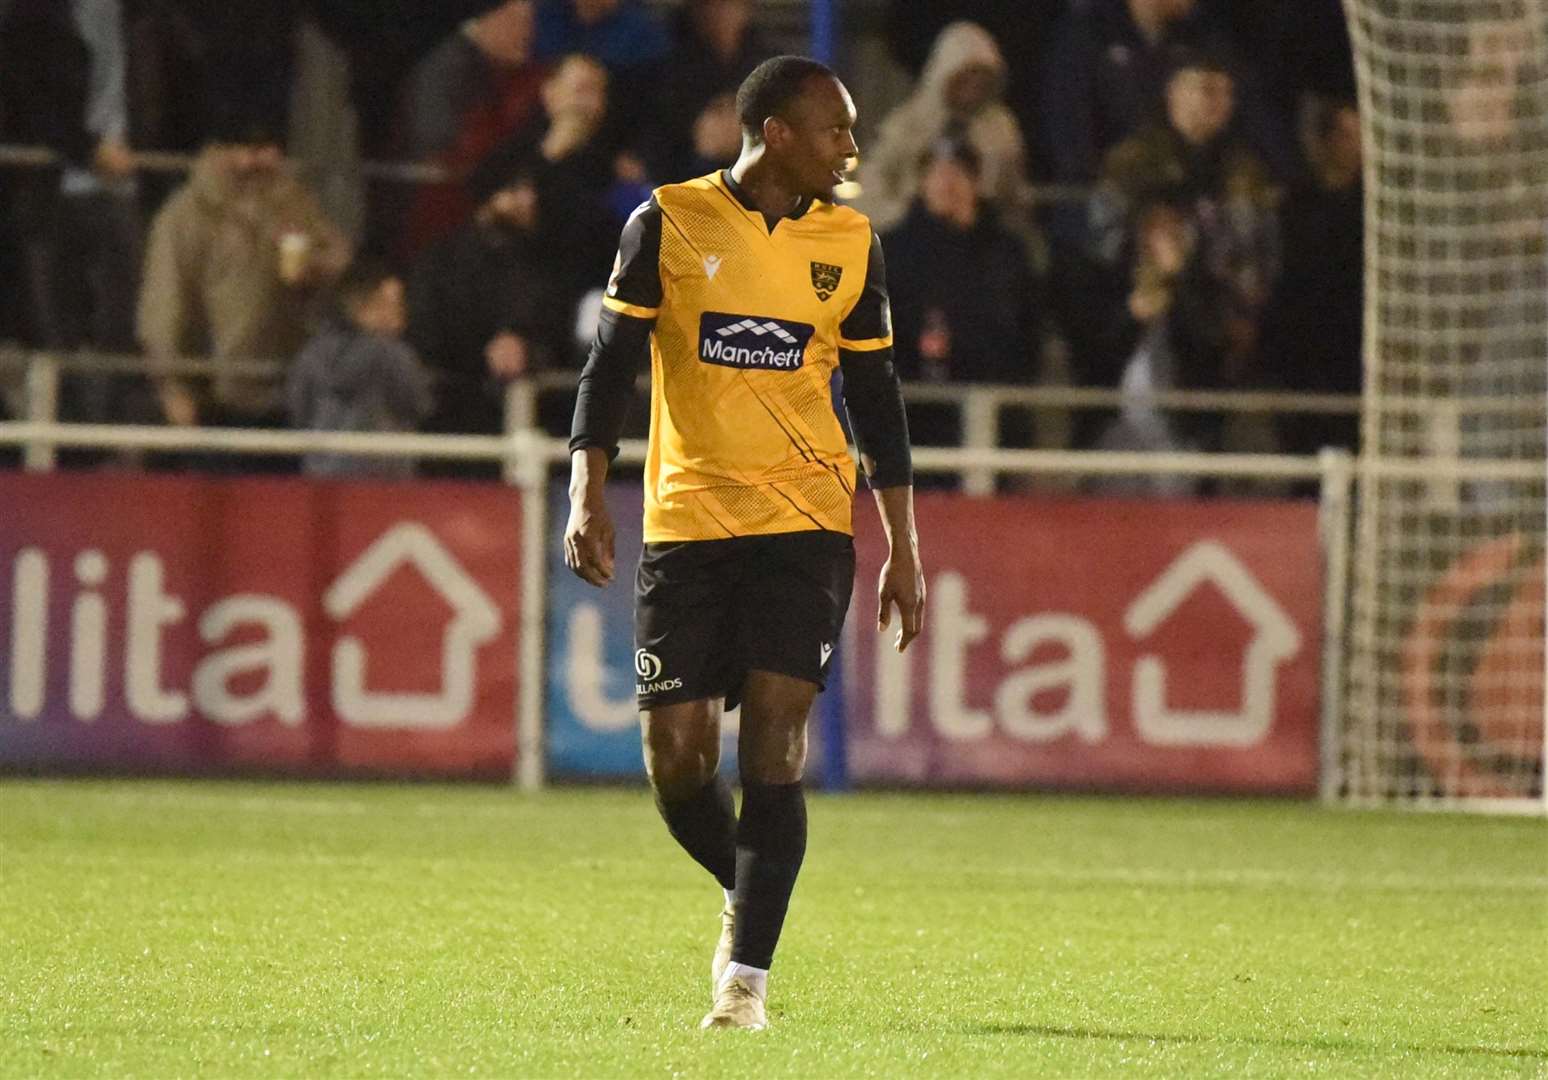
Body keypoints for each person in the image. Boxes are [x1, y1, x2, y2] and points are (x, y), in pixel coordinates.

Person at [564, 56, 924, 1031]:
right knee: (676, 762)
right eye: (837, 129)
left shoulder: (852, 244)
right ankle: (749, 887)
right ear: (776, 134)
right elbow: (609, 367)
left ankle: (745, 983)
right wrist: (586, 494)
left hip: (807, 520)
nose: (853, 147)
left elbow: (881, 406)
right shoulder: (667, 223)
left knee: (775, 738)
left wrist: (904, 546)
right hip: (687, 520)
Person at [137, 121, 351, 434]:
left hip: (292, 390)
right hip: (215, 396)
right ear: (219, 151)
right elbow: (162, 308)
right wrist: (172, 387)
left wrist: (317, 268)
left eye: (267, 149)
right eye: (249, 149)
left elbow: (341, 263)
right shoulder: (183, 216)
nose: (257, 161)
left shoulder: (293, 202)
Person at [407, 157, 572, 443]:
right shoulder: (443, 262)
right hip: (456, 417)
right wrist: (483, 351)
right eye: (515, 190)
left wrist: (526, 346)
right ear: (489, 199)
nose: (528, 200)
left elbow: (557, 327)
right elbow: (427, 335)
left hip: (536, 415)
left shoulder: (544, 262)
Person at [854, 21, 1030, 235]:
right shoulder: (907, 124)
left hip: (981, 239)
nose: (973, 85)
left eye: (981, 77)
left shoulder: (1001, 128)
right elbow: (875, 182)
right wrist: (903, 216)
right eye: (966, 75)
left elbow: (1013, 194)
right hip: (911, 236)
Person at [287, 261, 433, 480]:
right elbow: (417, 404)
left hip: (321, 476)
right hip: (386, 479)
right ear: (361, 306)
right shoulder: (396, 355)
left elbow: (299, 410)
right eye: (392, 303)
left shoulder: (312, 353)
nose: (401, 312)